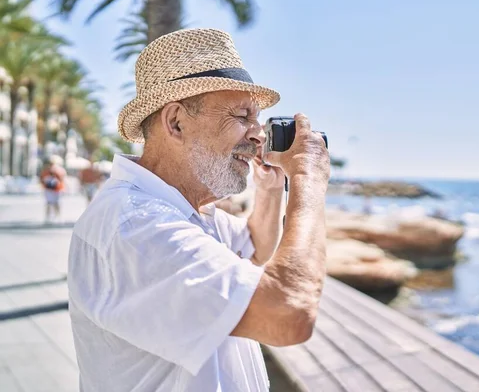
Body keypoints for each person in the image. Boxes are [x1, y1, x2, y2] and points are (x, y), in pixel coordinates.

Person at [67, 28, 330, 392]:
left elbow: (256, 246)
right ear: (175, 122)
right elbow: (288, 313)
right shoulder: (137, 225)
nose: (258, 135)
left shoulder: (183, 209)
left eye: (258, 121)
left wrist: (270, 188)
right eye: (242, 116)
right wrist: (310, 181)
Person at [40, 157, 66, 222]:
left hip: (57, 189)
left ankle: (58, 216)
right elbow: (41, 179)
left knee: (56, 203)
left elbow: (62, 178)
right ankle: (47, 217)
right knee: (49, 203)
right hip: (48, 190)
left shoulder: (58, 170)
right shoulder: (45, 171)